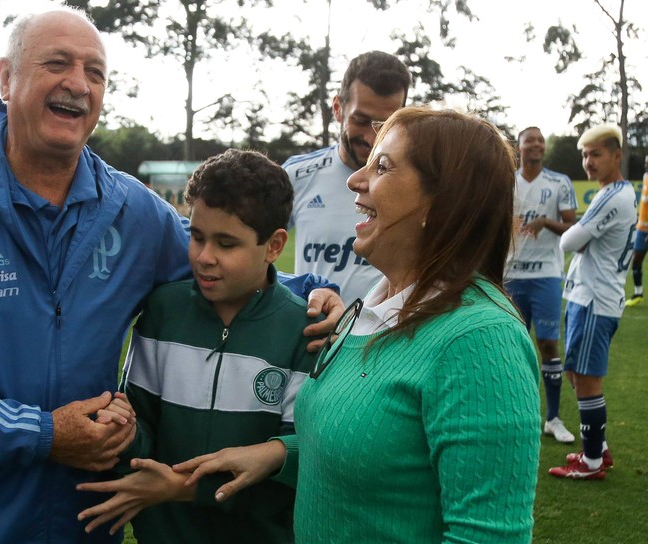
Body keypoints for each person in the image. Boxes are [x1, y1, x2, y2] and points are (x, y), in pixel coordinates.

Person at [0, 9, 342, 544]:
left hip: (82, 520)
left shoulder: (129, 209)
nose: (78, 84)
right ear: (6, 78)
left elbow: (223, 260)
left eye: (95, 71)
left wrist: (314, 294)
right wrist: (41, 435)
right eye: (57, 63)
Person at [175, 107, 542, 543]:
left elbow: (485, 536)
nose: (355, 179)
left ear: (443, 200)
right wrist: (278, 454)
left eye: (382, 166)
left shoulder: (479, 339)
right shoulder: (372, 306)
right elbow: (376, 451)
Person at [74, 149, 316, 542]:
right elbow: (142, 426)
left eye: (226, 244)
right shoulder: (163, 310)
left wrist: (185, 488)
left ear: (274, 246)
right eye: (196, 236)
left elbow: (294, 462)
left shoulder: (303, 331)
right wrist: (123, 430)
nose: (204, 258)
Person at [284, 51, 411, 303]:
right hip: (312, 336)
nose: (372, 138)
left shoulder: (415, 183)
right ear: (338, 109)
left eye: (385, 125)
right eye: (361, 120)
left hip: (384, 337)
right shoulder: (295, 175)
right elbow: (251, 251)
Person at [549, 123, 637, 480]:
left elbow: (567, 242)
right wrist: (581, 233)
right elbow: (579, 236)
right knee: (575, 372)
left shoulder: (611, 196)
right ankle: (597, 448)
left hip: (595, 300)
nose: (588, 161)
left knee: (586, 379)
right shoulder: (619, 192)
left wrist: (579, 233)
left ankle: (593, 462)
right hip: (590, 296)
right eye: (585, 155)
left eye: (596, 154)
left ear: (617, 156)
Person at [505, 126, 578, 443]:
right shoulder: (506, 182)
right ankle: (519, 415)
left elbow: (571, 228)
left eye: (539, 140)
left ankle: (553, 418)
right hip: (509, 275)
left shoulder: (559, 182)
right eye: (529, 140)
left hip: (546, 273)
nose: (535, 144)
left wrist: (545, 222)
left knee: (548, 344)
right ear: (519, 147)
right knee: (512, 348)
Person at [624, 154, 648, 307]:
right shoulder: (646, 176)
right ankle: (638, 293)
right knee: (637, 259)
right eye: (646, 162)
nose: (646, 165)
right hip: (641, 228)